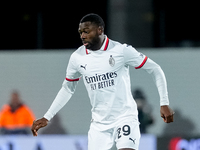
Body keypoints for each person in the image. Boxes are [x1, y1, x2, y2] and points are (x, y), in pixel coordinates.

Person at [31, 13, 174, 150]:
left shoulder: (120, 50)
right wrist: (47, 116)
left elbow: (155, 69)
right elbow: (68, 88)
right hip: (99, 125)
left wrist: (164, 102)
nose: (82, 36)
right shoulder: (77, 57)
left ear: (100, 30)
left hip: (124, 118)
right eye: (80, 32)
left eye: (86, 31)